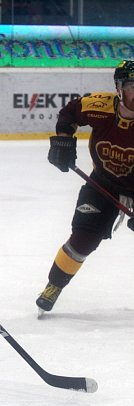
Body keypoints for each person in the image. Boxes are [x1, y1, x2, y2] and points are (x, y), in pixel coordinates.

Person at [36, 60, 134, 314]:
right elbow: (69, 114)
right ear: (119, 88)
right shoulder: (100, 106)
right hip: (104, 183)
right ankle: (54, 285)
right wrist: (62, 141)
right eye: (133, 85)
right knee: (84, 238)